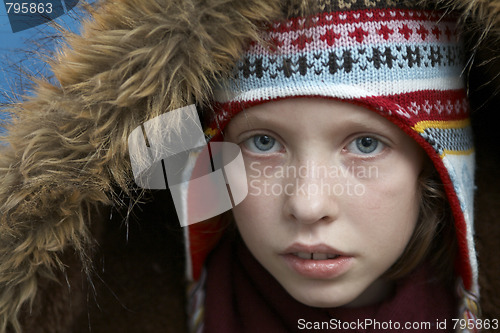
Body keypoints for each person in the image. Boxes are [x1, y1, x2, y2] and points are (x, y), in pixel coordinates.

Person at [0, 0, 498, 332]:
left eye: (366, 145)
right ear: (211, 159)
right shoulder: (117, 307)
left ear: (438, 169)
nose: (307, 204)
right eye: (263, 142)